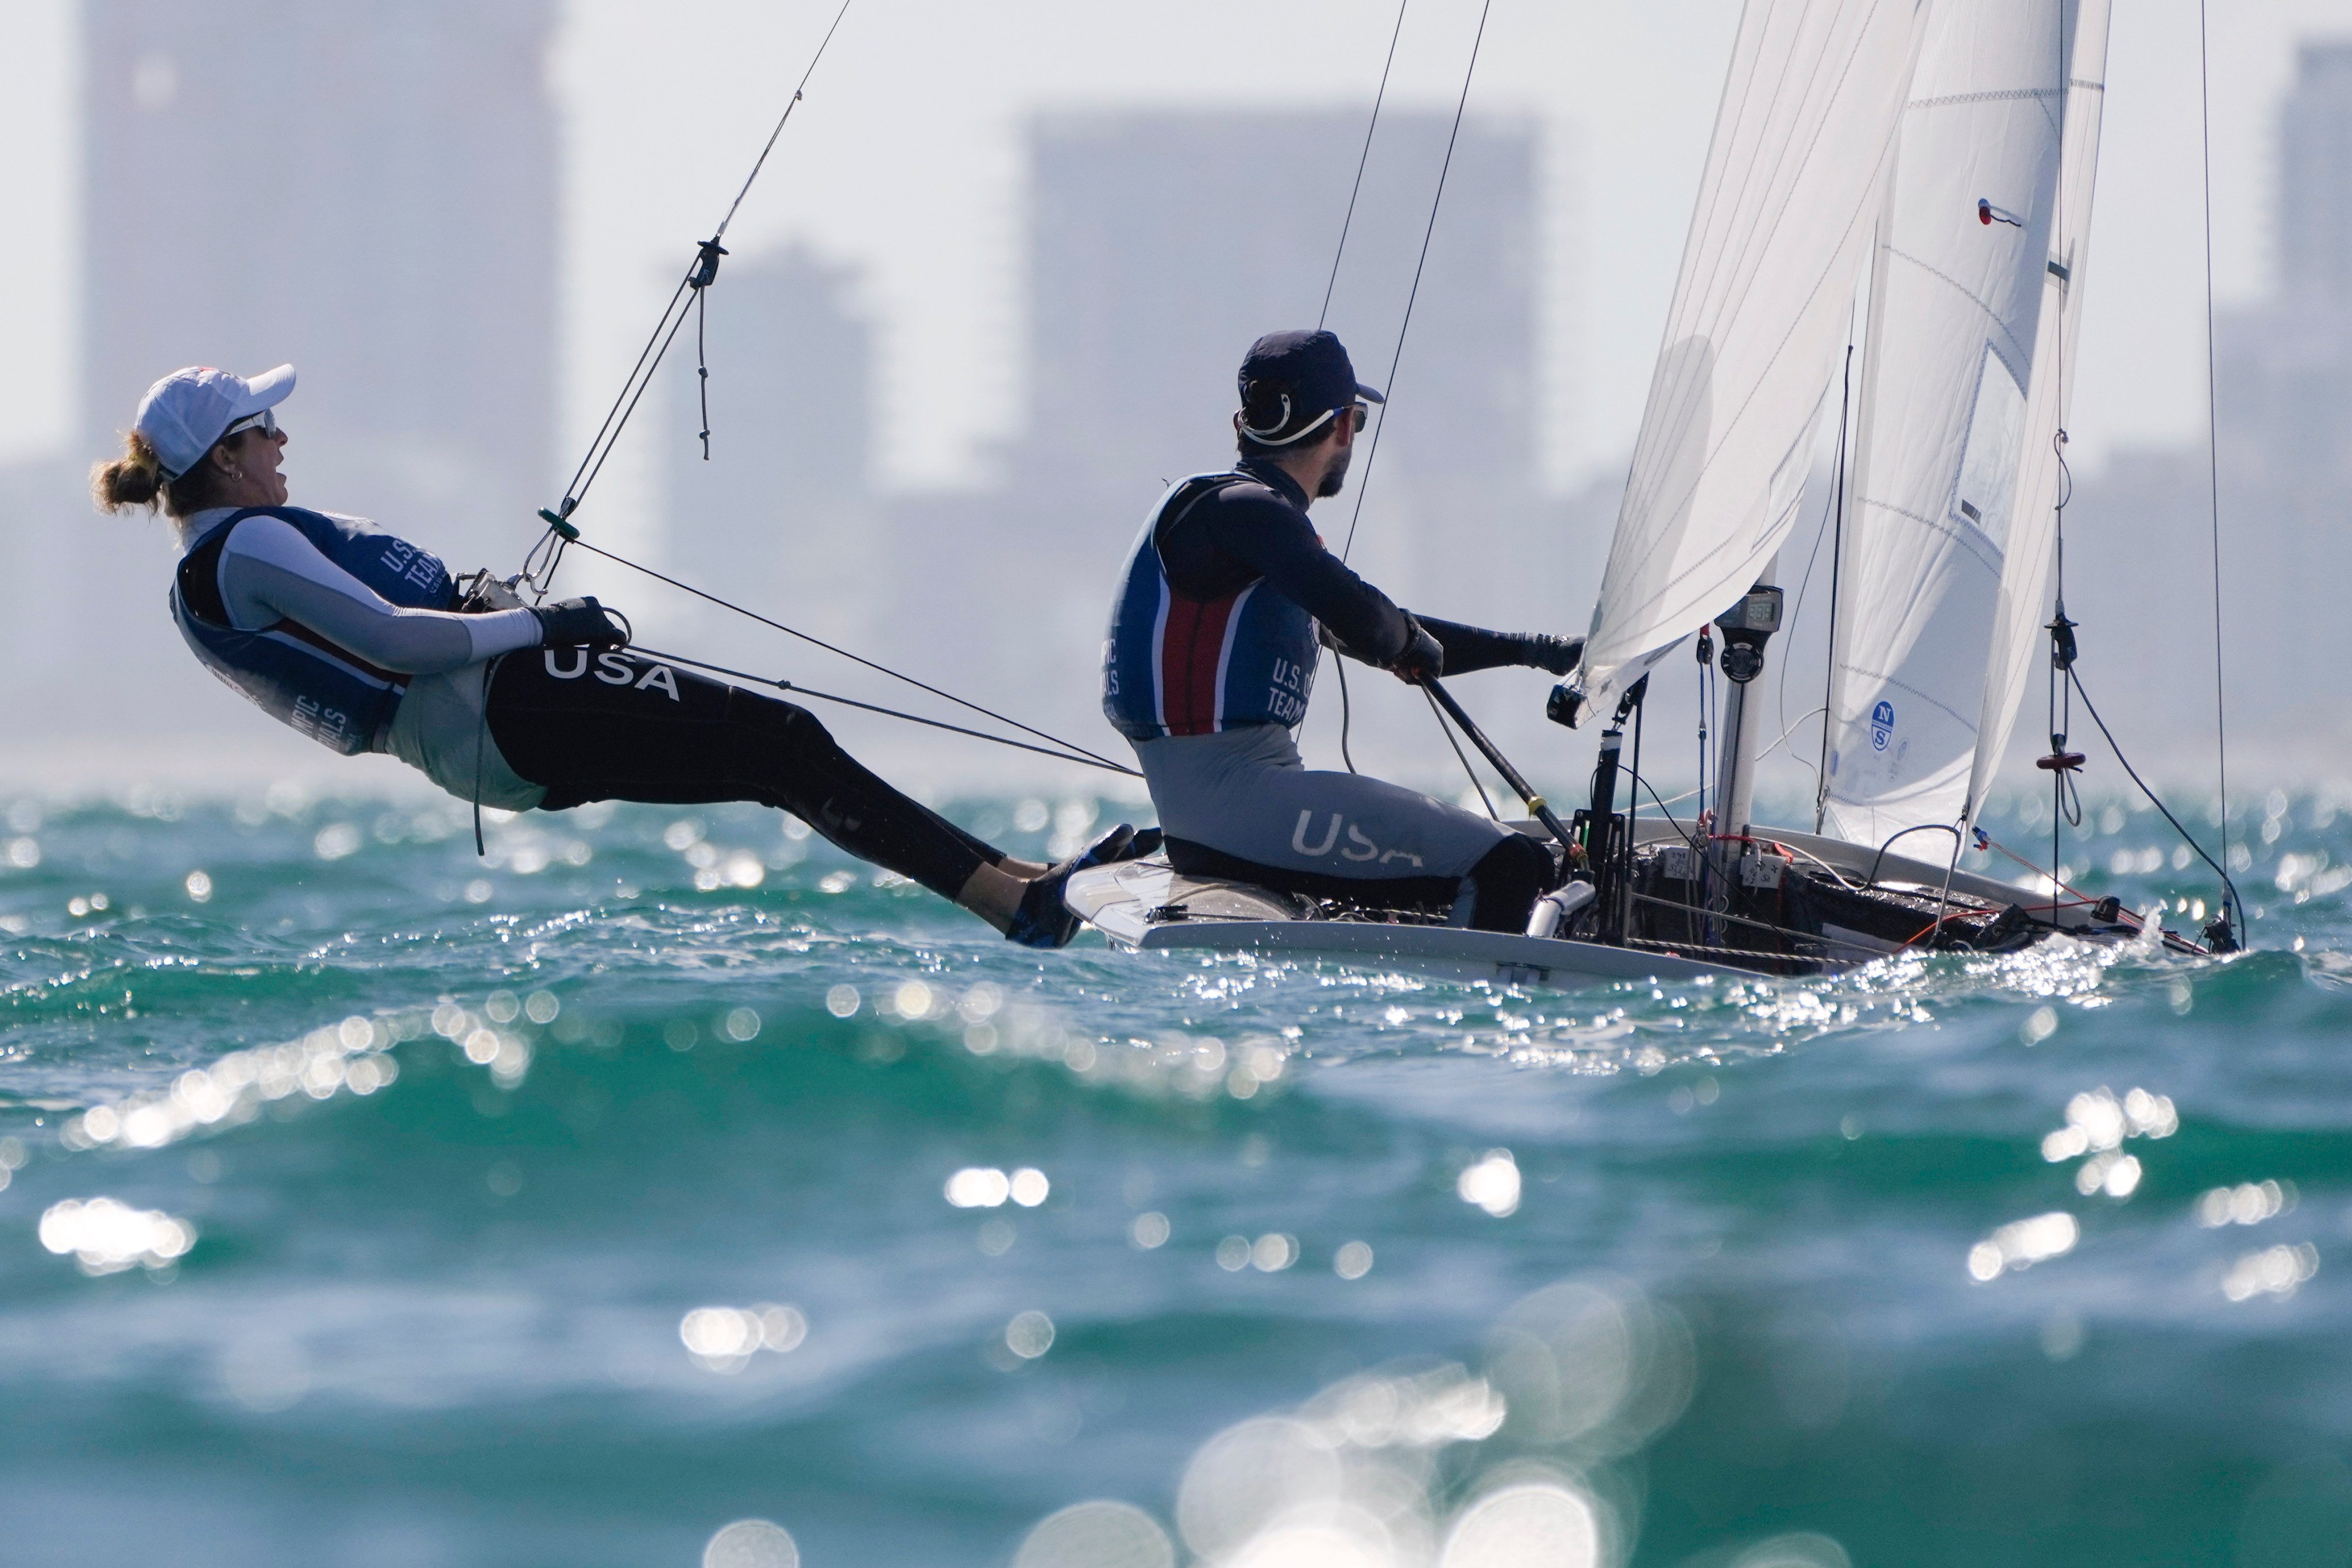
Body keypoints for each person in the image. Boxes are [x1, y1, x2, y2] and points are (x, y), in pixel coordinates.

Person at [94, 364, 1129, 946]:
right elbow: (395, 641)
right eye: (264, 430)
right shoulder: (248, 543)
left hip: (481, 733)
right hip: (498, 704)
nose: (283, 445)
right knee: (782, 738)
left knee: (775, 752)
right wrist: (548, 627)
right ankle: (1010, 899)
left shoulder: (205, 576)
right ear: (224, 456)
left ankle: (1013, 879)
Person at [1100, 330, 1582, 932]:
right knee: (1513, 863)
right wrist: (1401, 643)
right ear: (1346, 427)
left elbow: (1377, 626)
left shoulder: (1227, 524)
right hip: (1241, 807)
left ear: (1243, 423)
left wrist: (1532, 653)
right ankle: (1478, 1025)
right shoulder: (1245, 512)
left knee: (1480, 859)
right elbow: (1369, 622)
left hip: (1214, 810)